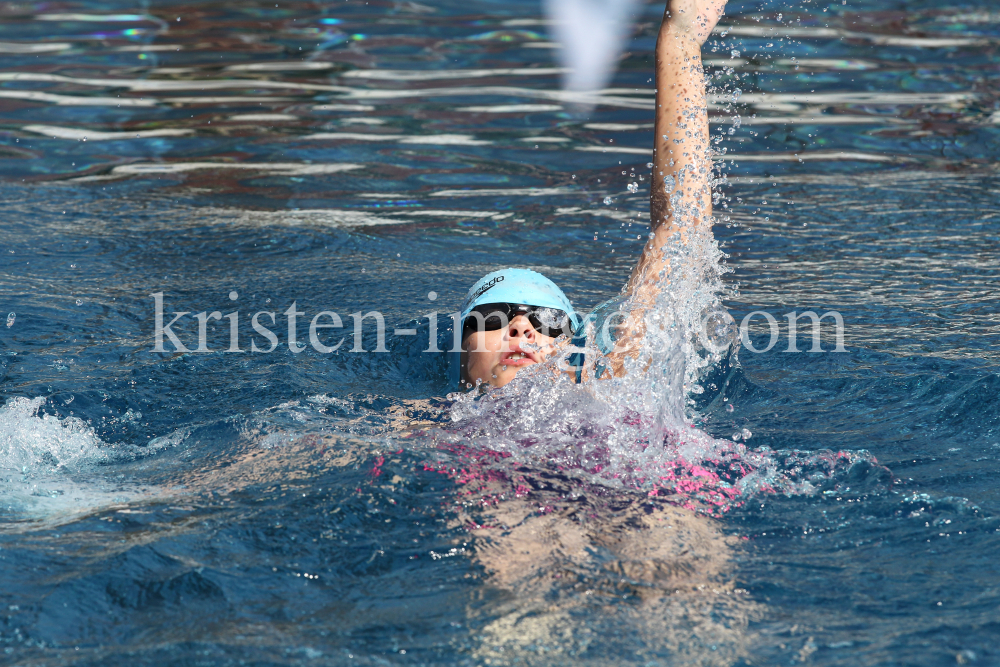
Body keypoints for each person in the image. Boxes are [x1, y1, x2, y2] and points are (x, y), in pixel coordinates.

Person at [453, 0, 727, 390]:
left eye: (548, 322)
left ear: (574, 349)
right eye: (491, 318)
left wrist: (680, 40)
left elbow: (681, 226)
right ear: (461, 351)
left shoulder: (608, 393)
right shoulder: (414, 428)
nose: (520, 328)